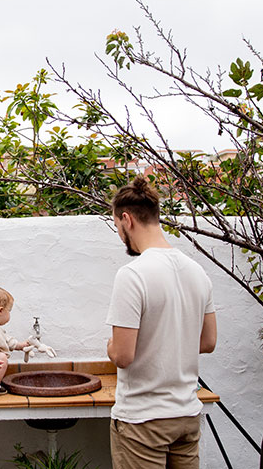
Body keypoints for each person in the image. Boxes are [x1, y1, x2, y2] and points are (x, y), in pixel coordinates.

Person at [105, 176, 218, 469]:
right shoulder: (197, 272)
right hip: (186, 416)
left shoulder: (132, 275)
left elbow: (123, 356)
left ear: (126, 219)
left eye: (117, 227)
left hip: (143, 420)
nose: (120, 235)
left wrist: (110, 346)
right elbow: (208, 343)